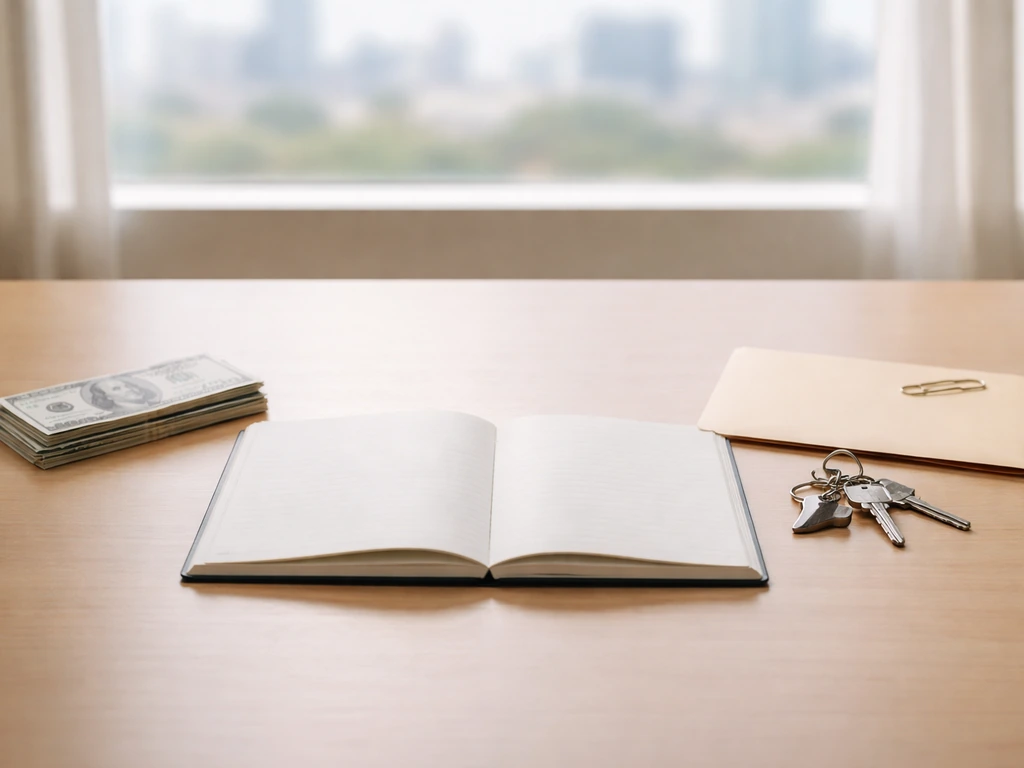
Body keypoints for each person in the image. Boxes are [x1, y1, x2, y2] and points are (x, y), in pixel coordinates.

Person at [83, 376, 161, 414]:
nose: (128, 389)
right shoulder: (112, 419)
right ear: (107, 396)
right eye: (116, 389)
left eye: (127, 385)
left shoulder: (158, 406)